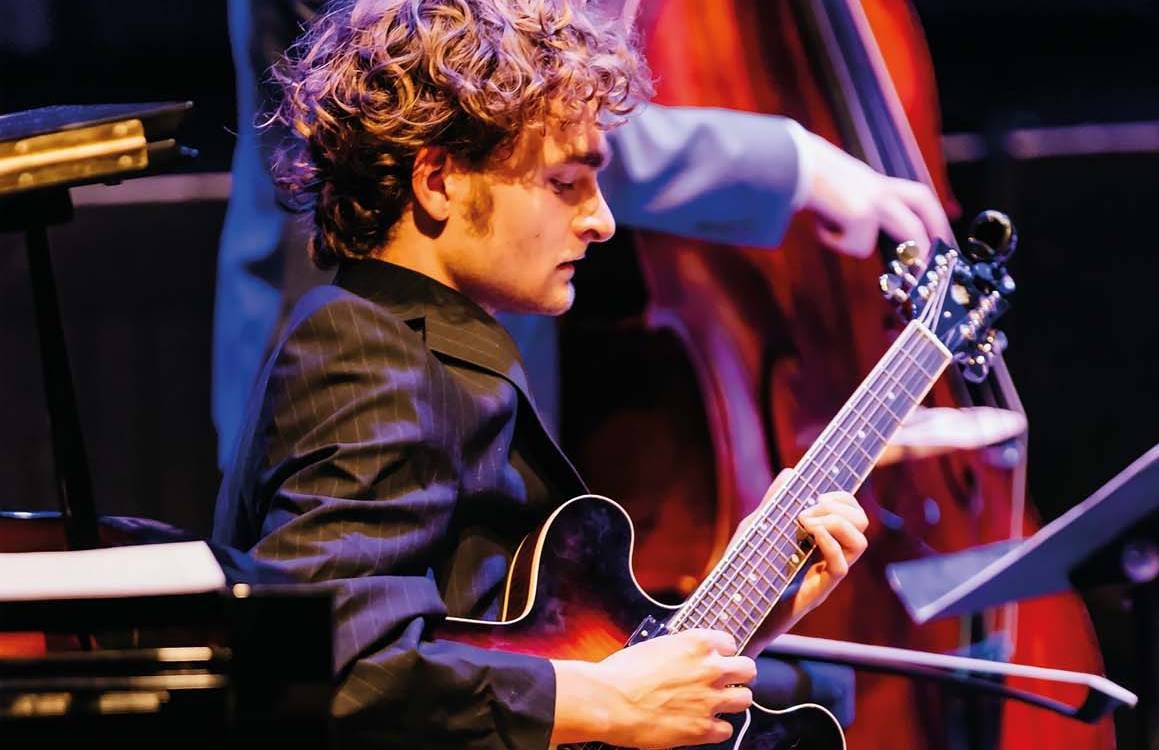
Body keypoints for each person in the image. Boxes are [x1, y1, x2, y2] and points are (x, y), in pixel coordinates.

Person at [212, 1, 872, 747]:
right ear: (440, 180)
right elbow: (333, 672)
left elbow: (506, 653)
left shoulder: (426, 346)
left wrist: (746, 609)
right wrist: (603, 702)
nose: (602, 221)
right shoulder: (362, 352)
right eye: (565, 183)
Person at [213, 0, 952, 469]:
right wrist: (789, 163)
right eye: (574, 187)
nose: (597, 222)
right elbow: (485, 117)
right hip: (361, 323)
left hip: (484, 347)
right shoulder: (350, 373)